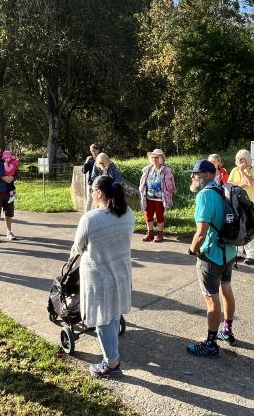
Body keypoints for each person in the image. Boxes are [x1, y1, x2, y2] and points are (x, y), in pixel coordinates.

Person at [71, 175, 135, 379]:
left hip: (99, 276)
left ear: (99, 193)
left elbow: (78, 248)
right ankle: (112, 355)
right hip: (121, 271)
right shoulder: (128, 214)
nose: (91, 194)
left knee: (103, 319)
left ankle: (111, 363)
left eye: (92, 191)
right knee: (113, 314)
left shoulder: (90, 218)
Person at [186, 159, 238, 357]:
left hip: (212, 254)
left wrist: (192, 250)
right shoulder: (221, 189)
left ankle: (210, 343)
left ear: (207, 175)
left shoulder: (205, 195)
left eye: (196, 174)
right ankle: (227, 330)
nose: (193, 177)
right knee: (226, 288)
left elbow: (201, 232)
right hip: (229, 252)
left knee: (211, 298)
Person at [228, 149, 254, 264]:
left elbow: (250, 182)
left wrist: (241, 171)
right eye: (237, 159)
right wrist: (241, 184)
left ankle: (251, 255)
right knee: (238, 228)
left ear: (247, 160)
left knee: (250, 228)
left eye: (241, 159)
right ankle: (239, 252)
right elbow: (229, 184)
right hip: (236, 203)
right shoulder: (233, 170)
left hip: (249, 204)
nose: (238, 161)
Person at [138, 148, 176, 243]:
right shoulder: (148, 169)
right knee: (148, 216)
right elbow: (143, 182)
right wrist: (142, 191)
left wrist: (169, 189)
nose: (155, 159)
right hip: (148, 197)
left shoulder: (166, 170)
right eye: (153, 157)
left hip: (160, 198)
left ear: (161, 158)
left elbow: (171, 185)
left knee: (160, 216)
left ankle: (160, 234)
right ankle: (150, 233)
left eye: (157, 157)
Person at [81, 143, 100, 212]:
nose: (93, 152)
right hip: (91, 183)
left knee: (98, 201)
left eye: (95, 151)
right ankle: (86, 216)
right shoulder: (90, 160)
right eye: (92, 151)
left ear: (98, 150)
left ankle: (97, 216)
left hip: (99, 183)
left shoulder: (101, 159)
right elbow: (84, 171)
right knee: (89, 200)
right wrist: (86, 161)